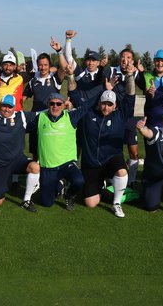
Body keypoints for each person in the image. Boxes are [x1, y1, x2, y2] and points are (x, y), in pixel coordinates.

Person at [26, 63, 98, 210]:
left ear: (63, 105)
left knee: (78, 181)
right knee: (47, 203)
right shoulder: (40, 118)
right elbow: (20, 123)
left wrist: (105, 88)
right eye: (52, 103)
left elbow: (87, 105)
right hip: (48, 167)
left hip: (67, 164)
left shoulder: (71, 116)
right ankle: (59, 185)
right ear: (48, 104)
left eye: (58, 104)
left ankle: (69, 195)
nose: (55, 106)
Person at [73, 61, 137, 218]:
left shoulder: (120, 116)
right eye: (103, 103)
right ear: (99, 103)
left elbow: (130, 96)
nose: (106, 107)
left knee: (122, 172)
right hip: (91, 164)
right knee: (90, 203)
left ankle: (116, 203)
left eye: (110, 104)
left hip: (111, 160)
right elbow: (75, 96)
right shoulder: (89, 114)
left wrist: (129, 76)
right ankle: (107, 189)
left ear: (115, 106)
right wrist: (70, 76)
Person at [0, 94, 41, 212]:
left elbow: (43, 114)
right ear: (0, 105)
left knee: (34, 167)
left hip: (17, 161)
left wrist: (64, 108)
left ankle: (26, 200)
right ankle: (0, 184)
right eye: (4, 106)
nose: (6, 109)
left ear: (14, 108)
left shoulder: (21, 116)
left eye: (10, 107)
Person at [23, 38, 66, 160]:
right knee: (35, 150)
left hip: (52, 119)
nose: (43, 67)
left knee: (52, 149)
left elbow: (63, 68)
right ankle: (36, 176)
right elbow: (23, 98)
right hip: (36, 119)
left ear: (49, 66)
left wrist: (59, 51)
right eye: (40, 65)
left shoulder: (55, 79)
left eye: (45, 65)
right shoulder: (33, 81)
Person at [105, 47, 142, 187]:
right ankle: (110, 178)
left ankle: (131, 180)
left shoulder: (135, 72)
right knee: (113, 150)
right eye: (123, 57)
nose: (125, 60)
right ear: (120, 58)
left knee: (134, 152)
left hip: (129, 118)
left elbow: (144, 85)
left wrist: (140, 72)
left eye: (128, 58)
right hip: (113, 118)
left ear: (132, 61)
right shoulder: (112, 71)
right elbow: (102, 81)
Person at [136, 49, 163, 128]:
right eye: (157, 61)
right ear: (153, 61)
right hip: (151, 121)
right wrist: (150, 93)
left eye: (162, 61)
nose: (160, 63)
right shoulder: (147, 75)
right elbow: (147, 92)